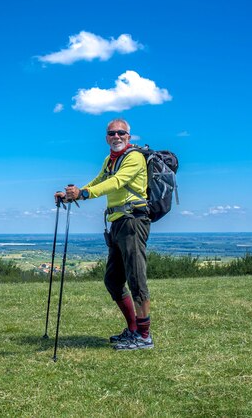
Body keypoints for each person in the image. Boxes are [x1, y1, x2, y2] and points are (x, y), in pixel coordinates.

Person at [55, 118, 153, 350]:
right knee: (113, 280)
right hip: (117, 223)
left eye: (121, 133)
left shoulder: (134, 158)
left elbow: (117, 183)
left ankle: (144, 336)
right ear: (107, 137)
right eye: (112, 133)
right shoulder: (110, 160)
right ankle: (133, 330)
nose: (116, 136)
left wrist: (85, 194)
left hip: (133, 221)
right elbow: (98, 181)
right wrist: (74, 194)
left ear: (129, 136)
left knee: (136, 279)